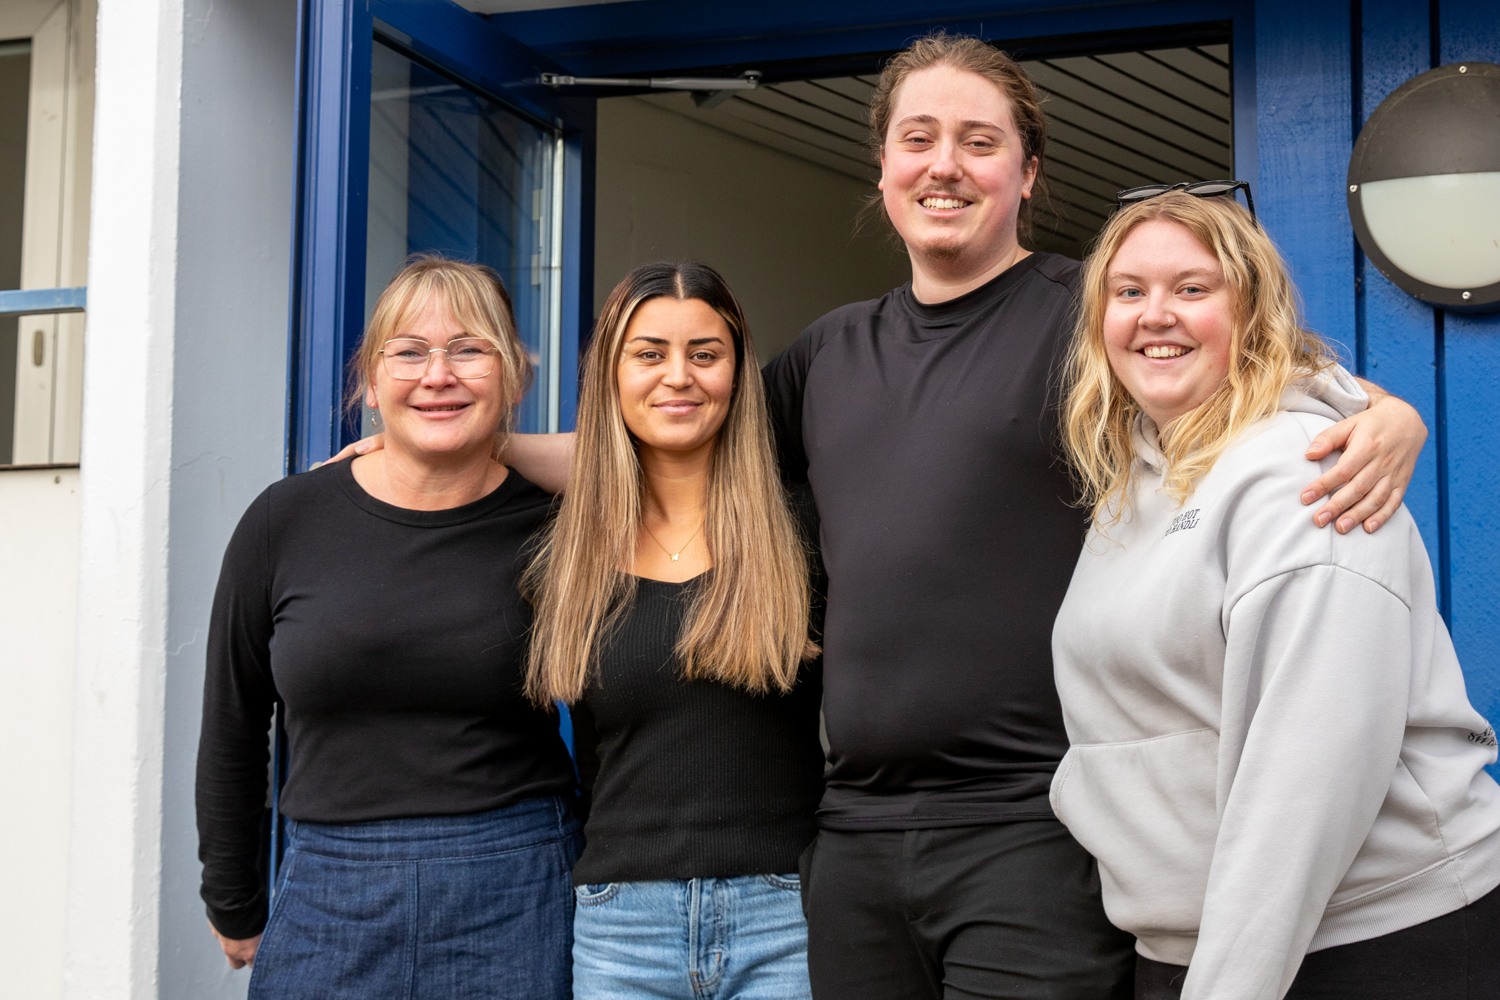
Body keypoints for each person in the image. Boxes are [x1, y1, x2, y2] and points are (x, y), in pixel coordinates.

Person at [326, 31, 1429, 1000]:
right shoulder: (831, 354)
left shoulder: (1082, 316)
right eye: (918, 137)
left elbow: (1257, 370)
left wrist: (1391, 415)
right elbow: (658, 439)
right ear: (885, 165)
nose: (944, 164)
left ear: (1028, 171)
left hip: (1030, 832)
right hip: (850, 843)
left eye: (979, 141)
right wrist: (462, 441)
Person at [1050, 188, 1500, 1000]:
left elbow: (1309, 774)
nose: (1156, 314)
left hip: (1376, 940)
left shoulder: (1305, 470)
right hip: (1198, 947)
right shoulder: (1129, 486)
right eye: (1129, 292)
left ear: (1251, 314)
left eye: (1193, 288)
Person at [195, 255, 581, 999]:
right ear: (370, 383)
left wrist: (494, 442)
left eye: (469, 350)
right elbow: (234, 720)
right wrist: (232, 893)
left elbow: (666, 459)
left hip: (518, 884)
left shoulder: (561, 526)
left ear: (514, 379)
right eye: (408, 353)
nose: (438, 374)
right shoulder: (286, 520)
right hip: (329, 890)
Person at [524, 261, 824, 999]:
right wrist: (485, 446)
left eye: (706, 353)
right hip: (620, 927)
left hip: (786, 916)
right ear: (612, 375)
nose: (678, 376)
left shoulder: (804, 532)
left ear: (738, 372)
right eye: (649, 353)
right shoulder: (567, 555)